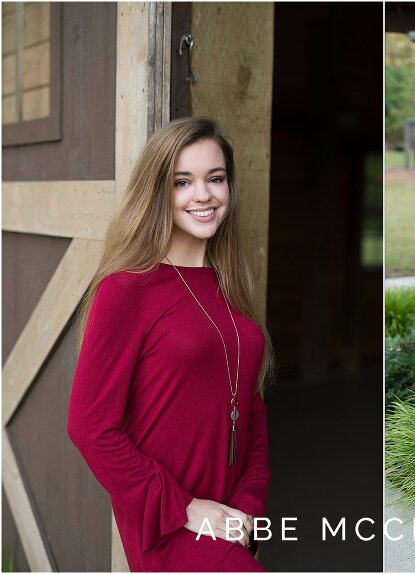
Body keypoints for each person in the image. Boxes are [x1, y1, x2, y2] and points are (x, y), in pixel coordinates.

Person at [67, 117, 273, 571]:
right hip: (168, 525)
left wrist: (250, 506)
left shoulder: (230, 285)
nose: (204, 195)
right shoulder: (126, 290)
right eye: (183, 182)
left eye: (215, 178)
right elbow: (90, 427)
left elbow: (251, 408)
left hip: (232, 518)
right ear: (158, 191)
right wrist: (184, 509)